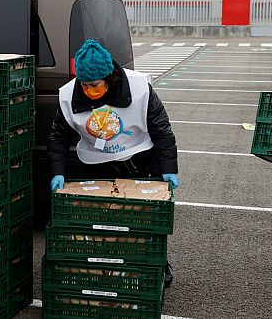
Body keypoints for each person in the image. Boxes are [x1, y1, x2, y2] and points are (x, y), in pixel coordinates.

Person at [47, 39, 179, 286]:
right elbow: (58, 137)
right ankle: (105, 268)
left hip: (140, 159)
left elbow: (161, 130)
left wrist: (168, 169)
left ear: (109, 78)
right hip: (96, 163)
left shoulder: (140, 88)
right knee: (101, 221)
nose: (88, 89)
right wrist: (58, 172)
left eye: (94, 85)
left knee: (141, 220)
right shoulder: (68, 95)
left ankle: (155, 264)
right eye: (84, 85)